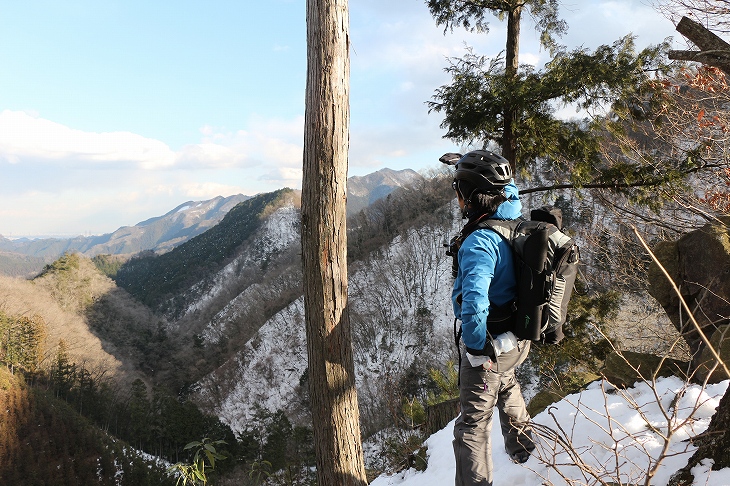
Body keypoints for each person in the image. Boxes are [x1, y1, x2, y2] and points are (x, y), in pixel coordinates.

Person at [447, 150, 535, 486]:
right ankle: (524, 448)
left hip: (490, 344)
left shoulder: (481, 242)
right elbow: (507, 190)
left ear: (469, 196)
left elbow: (474, 301)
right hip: (518, 337)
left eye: (458, 191)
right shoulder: (513, 215)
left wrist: (475, 348)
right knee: (507, 382)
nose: (456, 198)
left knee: (471, 426)